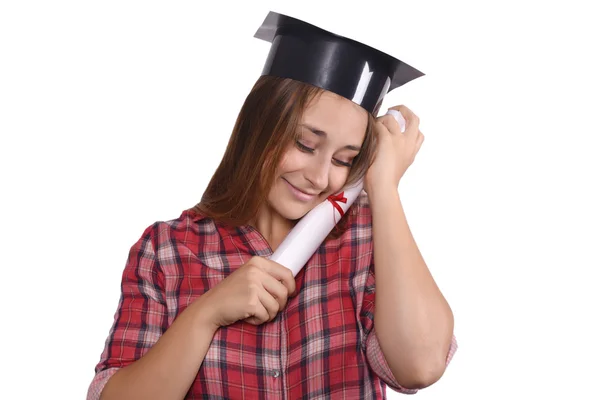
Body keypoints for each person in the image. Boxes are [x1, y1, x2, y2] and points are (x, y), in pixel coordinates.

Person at [87, 11, 457, 400]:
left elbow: (422, 364)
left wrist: (384, 186)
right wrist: (206, 314)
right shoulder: (168, 250)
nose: (319, 177)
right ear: (260, 125)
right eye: (305, 145)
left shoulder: (367, 239)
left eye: (344, 159)